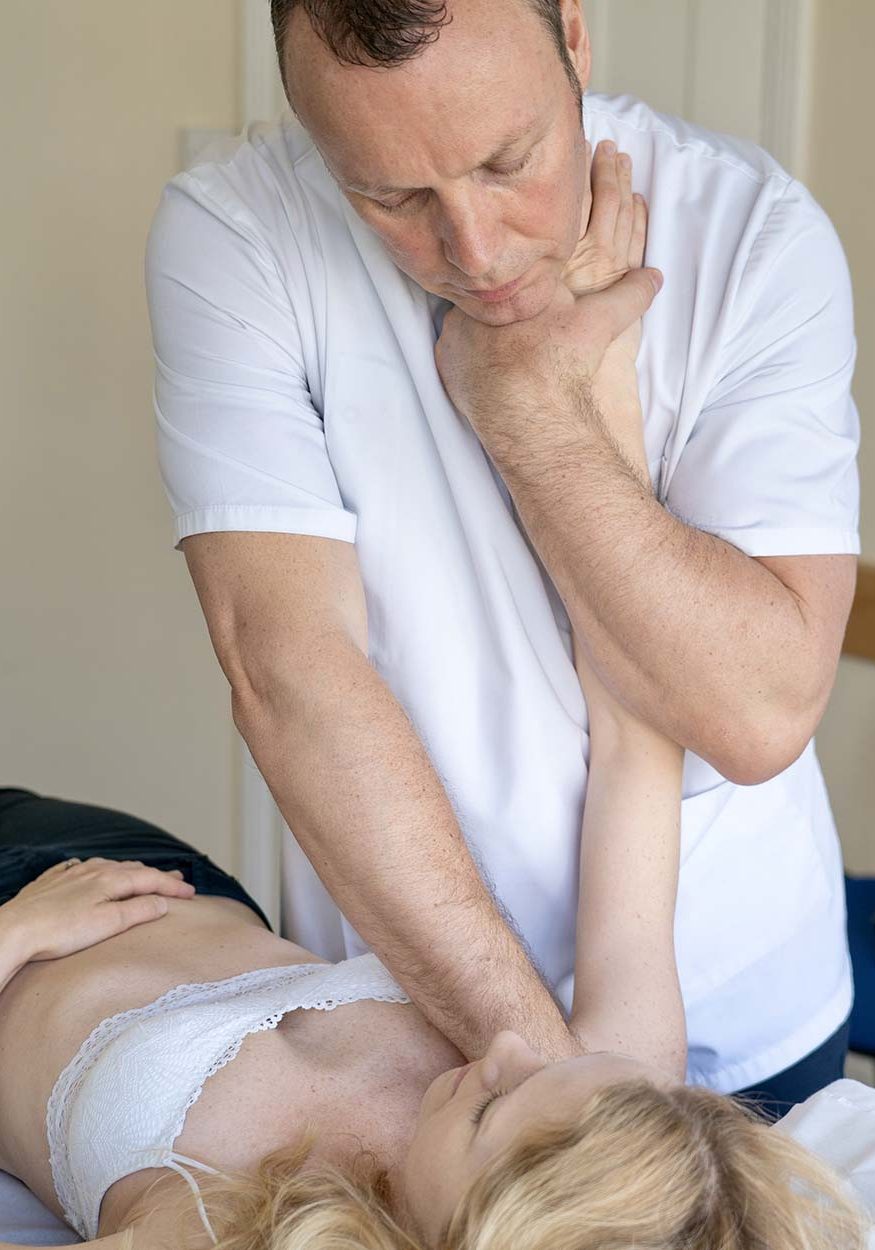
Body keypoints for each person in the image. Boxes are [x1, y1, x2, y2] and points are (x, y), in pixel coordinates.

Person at [145, 0, 860, 1110]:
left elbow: (755, 712)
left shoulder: (751, 237)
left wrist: (524, 406)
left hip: (742, 996)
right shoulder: (236, 234)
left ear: (572, 36)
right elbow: (289, 677)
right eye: (389, 196)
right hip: (414, 1022)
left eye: (505, 160)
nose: (472, 251)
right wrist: (556, 1091)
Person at [0, 618, 868, 1250]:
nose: (508, 1050)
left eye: (491, 1110)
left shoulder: (218, 1233)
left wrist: (17, 931)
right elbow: (634, 751)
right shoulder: (605, 1101)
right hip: (136, 864)